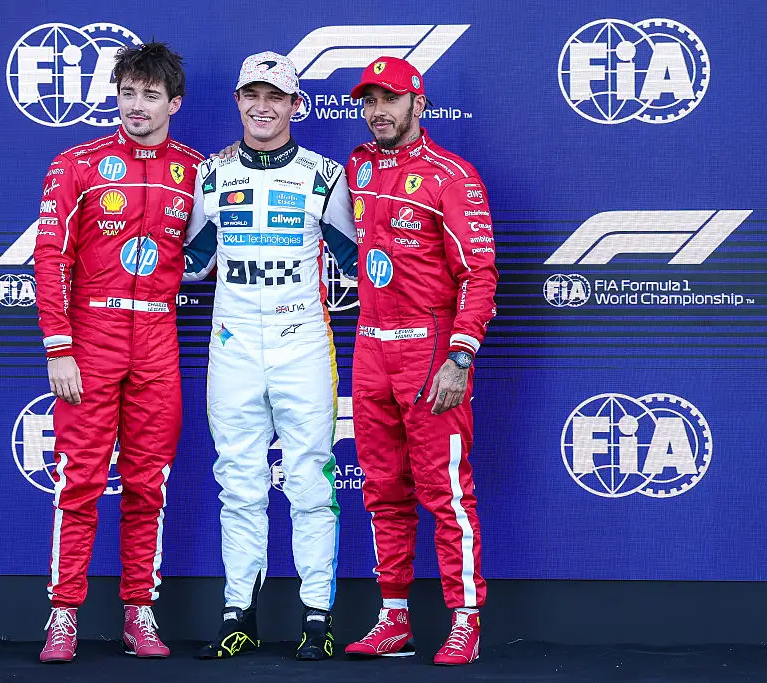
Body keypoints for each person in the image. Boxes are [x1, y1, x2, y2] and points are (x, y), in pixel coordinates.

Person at [182, 51, 358, 661]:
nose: (263, 107)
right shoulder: (211, 175)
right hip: (231, 344)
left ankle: (318, 616)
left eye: (276, 96)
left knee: (310, 480)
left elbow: (361, 266)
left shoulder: (324, 175)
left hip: (302, 342)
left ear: (296, 105)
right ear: (237, 102)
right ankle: (239, 616)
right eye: (251, 95)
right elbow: (191, 262)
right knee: (239, 483)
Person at [33, 42, 204, 663]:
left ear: (174, 103)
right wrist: (60, 347)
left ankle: (139, 611)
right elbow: (50, 257)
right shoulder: (77, 163)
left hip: (159, 340)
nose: (137, 106)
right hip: (91, 339)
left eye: (150, 96)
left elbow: (212, 249)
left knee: (147, 485)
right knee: (79, 483)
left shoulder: (195, 170)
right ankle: (62, 614)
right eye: (127, 93)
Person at [341, 56, 498, 666]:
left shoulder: (450, 176)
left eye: (390, 99)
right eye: (369, 101)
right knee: (382, 489)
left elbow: (479, 275)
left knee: (447, 492)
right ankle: (395, 618)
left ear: (418, 104)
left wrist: (460, 356)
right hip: (369, 345)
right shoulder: (356, 165)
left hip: (430, 350)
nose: (378, 111)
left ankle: (465, 619)